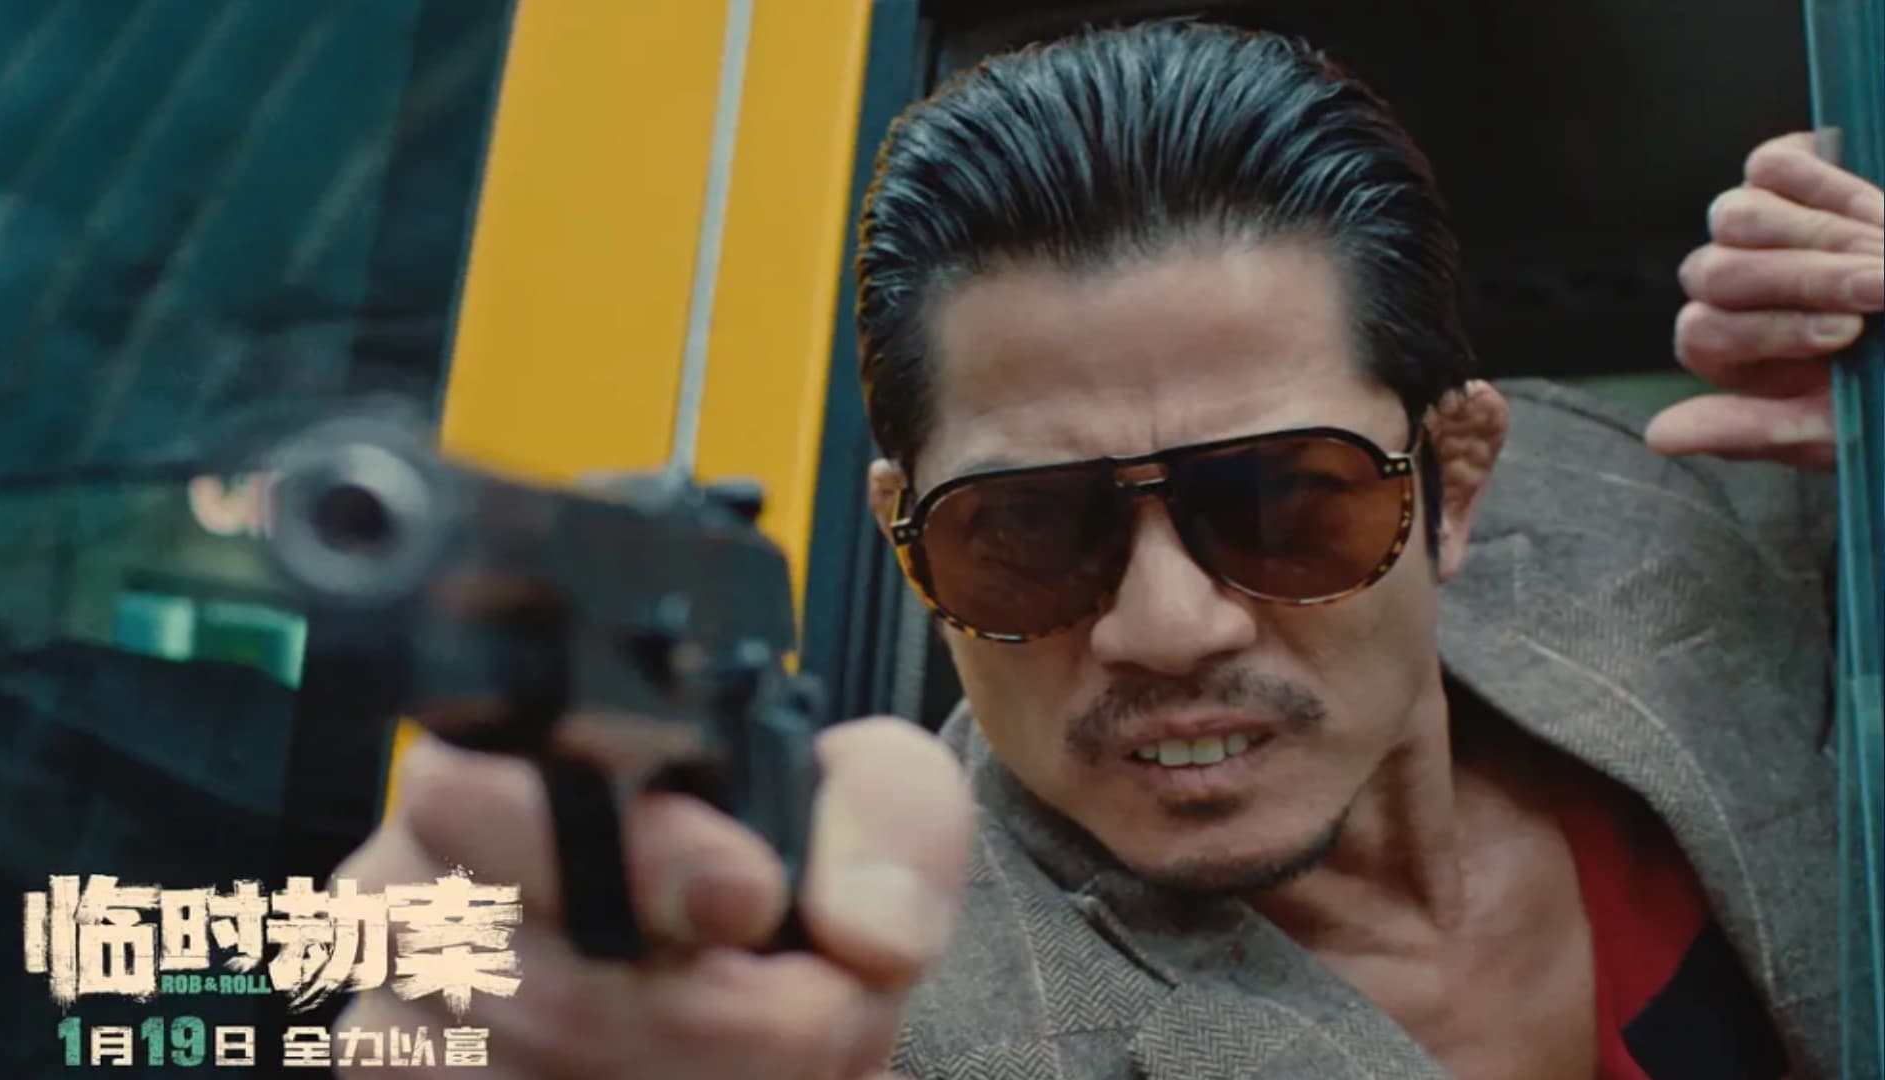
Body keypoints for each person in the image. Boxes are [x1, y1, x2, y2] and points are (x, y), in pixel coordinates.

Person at [327, 20, 1884, 1080]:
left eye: (1280, 502)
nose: (1165, 625)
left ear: (1457, 483)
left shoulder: (1667, 518)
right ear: (910, 546)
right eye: (1029, 531)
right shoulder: (904, 1015)